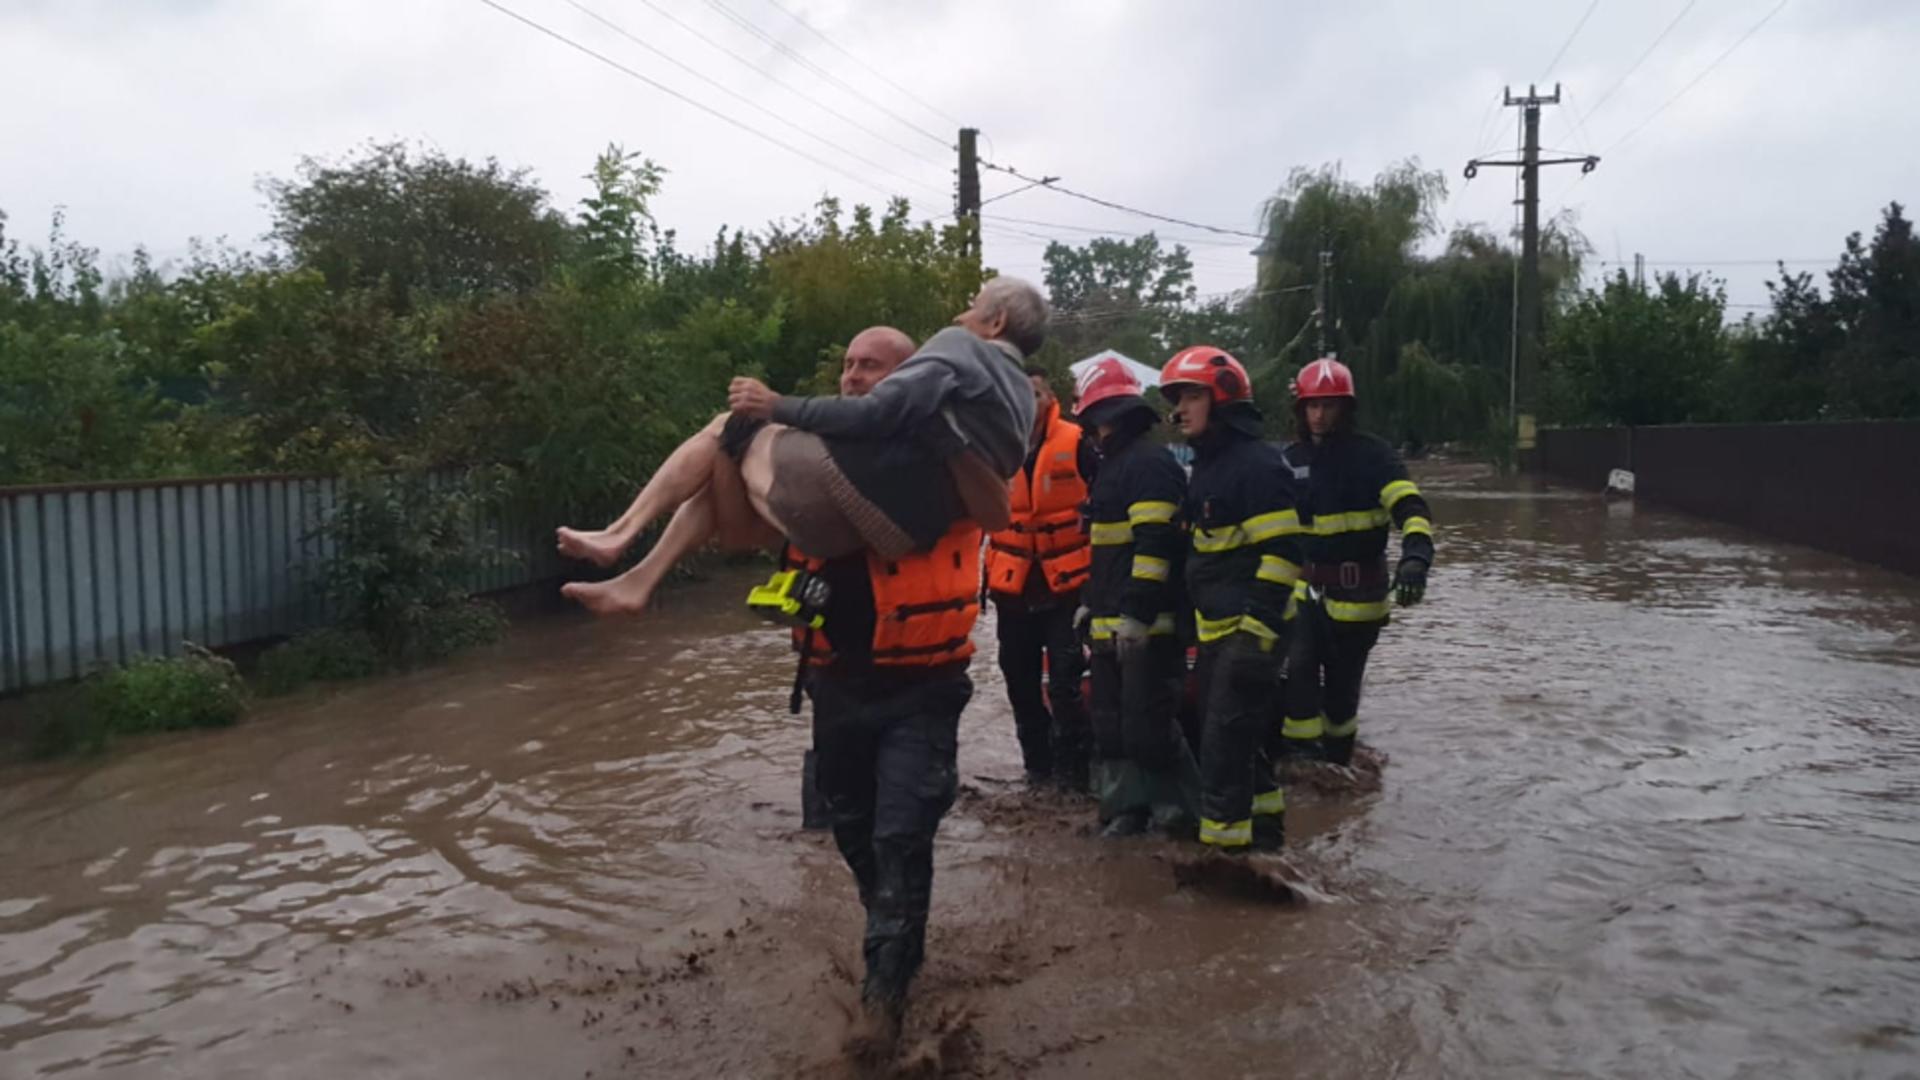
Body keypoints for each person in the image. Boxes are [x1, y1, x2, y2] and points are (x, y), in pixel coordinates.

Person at [556, 277, 1049, 615]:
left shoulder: (960, 347)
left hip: (848, 493)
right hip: (890, 534)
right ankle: (636, 580)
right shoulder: (1024, 402)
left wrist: (775, 404)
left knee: (730, 421)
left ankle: (620, 534)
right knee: (720, 457)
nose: (962, 315)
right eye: (848, 365)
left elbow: (877, 414)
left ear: (997, 320)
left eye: (974, 306)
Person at [775, 516, 983, 1041]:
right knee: (852, 828)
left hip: (924, 686)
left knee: (901, 835)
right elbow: (730, 519)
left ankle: (882, 1002)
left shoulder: (949, 463)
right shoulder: (803, 474)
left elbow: (993, 489)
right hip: (837, 687)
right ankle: (895, 929)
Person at [1160, 346, 1303, 851]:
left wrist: (1255, 636)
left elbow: (1284, 553)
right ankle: (1265, 834)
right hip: (1221, 633)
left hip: (1250, 633)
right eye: (1176, 397)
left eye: (1191, 395)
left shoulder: (1256, 467)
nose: (1179, 409)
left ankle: (1224, 862)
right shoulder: (1210, 466)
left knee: (1221, 749)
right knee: (1235, 740)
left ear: (1221, 398)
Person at [1278, 357, 1434, 767]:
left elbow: (1411, 508)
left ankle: (1339, 763)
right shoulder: (1289, 459)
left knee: (1342, 690)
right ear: (1300, 409)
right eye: (1312, 406)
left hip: (1359, 593)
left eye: (1329, 406)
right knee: (1298, 672)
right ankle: (1302, 765)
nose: (1319, 415)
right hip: (1303, 590)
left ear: (1345, 409)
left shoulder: (1374, 457)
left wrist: (1416, 559)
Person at [1074, 358, 1199, 837]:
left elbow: (1154, 547)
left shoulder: (1149, 466)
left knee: (1149, 730)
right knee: (1111, 727)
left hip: (1147, 629)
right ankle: (1127, 812)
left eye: (1093, 421)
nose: (1091, 430)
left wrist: (1137, 616)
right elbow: (1106, 552)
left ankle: (1184, 817)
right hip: (1109, 626)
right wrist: (1089, 601)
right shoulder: (1112, 469)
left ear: (1110, 418)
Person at [982, 365, 1097, 789]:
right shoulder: (992, 450)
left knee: (1066, 686)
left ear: (1049, 399)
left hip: (1066, 590)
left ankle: (1073, 776)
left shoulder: (1079, 443)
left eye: (1032, 393)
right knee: (1020, 685)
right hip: (1012, 592)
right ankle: (1037, 771)